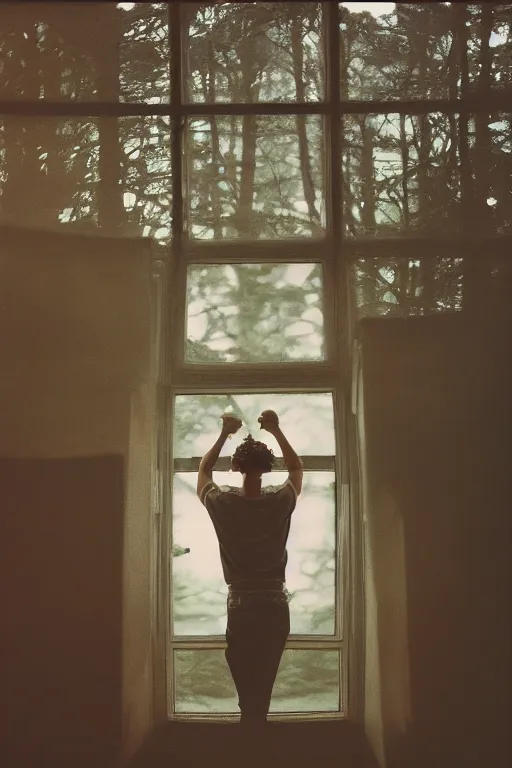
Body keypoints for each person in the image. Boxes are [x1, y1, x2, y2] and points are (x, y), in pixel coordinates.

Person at [196, 409, 303, 731]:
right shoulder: (280, 500)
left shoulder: (222, 502)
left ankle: (248, 721)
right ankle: (259, 724)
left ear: (234, 466)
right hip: (274, 599)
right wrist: (275, 429)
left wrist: (225, 433)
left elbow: (203, 470)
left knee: (243, 666)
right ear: (269, 468)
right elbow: (296, 467)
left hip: (240, 600)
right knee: (267, 667)